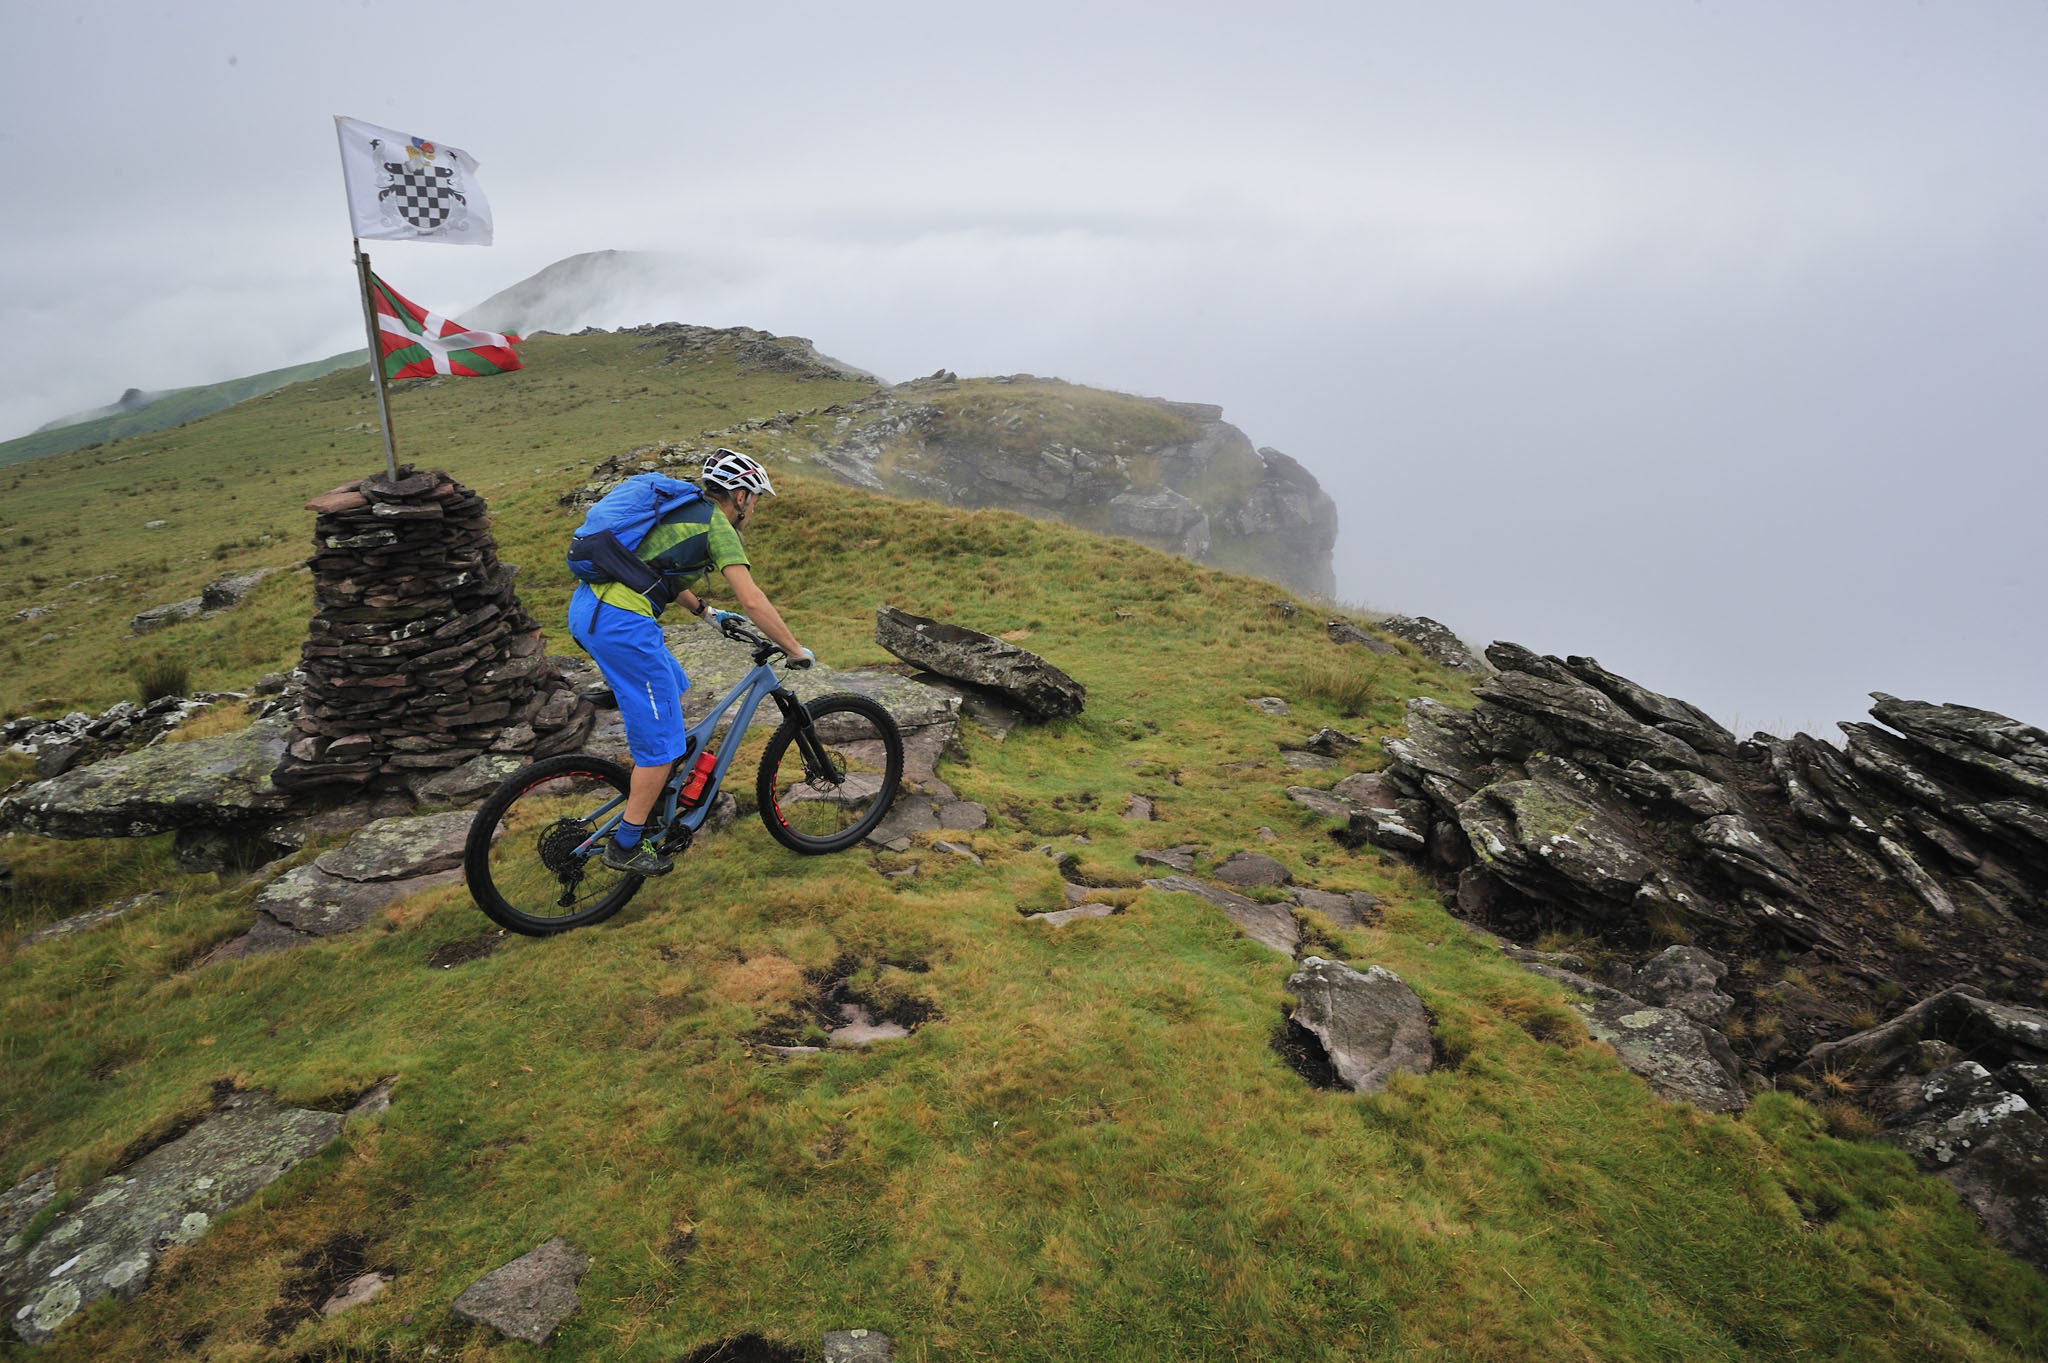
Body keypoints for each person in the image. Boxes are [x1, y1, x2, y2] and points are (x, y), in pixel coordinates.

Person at [567, 449, 812, 876]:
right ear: (739, 497)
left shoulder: (681, 510)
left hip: (588, 610)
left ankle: (638, 715)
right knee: (663, 747)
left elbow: (652, 571)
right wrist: (794, 649)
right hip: (620, 626)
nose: (753, 508)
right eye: (754, 499)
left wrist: (705, 612)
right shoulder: (717, 525)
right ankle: (626, 845)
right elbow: (752, 600)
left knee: (674, 683)